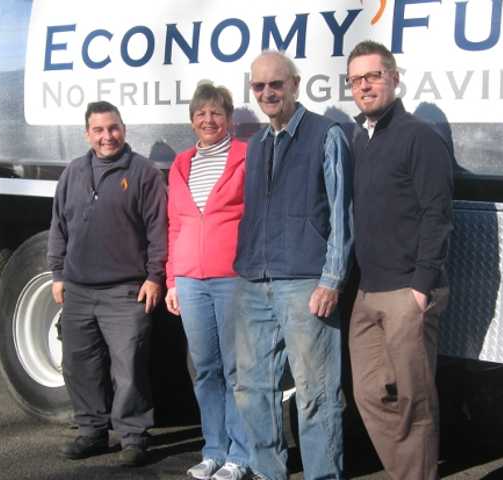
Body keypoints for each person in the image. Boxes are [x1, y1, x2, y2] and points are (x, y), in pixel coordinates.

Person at [232, 50, 353, 480]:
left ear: (295, 84)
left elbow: (342, 214)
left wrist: (332, 279)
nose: (267, 93)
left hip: (305, 283)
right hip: (254, 281)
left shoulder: (326, 134)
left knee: (316, 393)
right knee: (252, 390)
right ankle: (268, 471)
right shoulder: (258, 145)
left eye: (275, 84)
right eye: (259, 86)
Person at [346, 40, 454, 480]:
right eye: (356, 79)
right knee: (370, 393)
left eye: (373, 75)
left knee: (415, 399)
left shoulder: (419, 137)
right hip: (368, 290)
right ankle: (408, 470)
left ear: (393, 77)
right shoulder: (361, 139)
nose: (365, 85)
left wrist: (421, 285)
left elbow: (438, 213)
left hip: (407, 290)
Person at [48, 101, 167, 467]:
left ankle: (133, 437)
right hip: (79, 289)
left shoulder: (143, 172)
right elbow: (59, 226)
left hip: (125, 291)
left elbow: (158, 230)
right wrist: (56, 273)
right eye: (98, 130)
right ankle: (92, 432)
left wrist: (154, 276)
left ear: (124, 129)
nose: (107, 136)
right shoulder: (73, 172)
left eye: (113, 128)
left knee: (128, 367)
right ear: (87, 134)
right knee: (79, 364)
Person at [164, 81, 250, 480]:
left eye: (216, 113)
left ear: (229, 119)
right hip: (190, 281)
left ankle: (241, 454)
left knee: (237, 369)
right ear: (192, 120)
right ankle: (213, 450)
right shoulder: (182, 164)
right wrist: (171, 280)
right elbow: (174, 225)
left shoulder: (246, 157)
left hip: (231, 277)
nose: (208, 119)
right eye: (201, 114)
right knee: (206, 368)